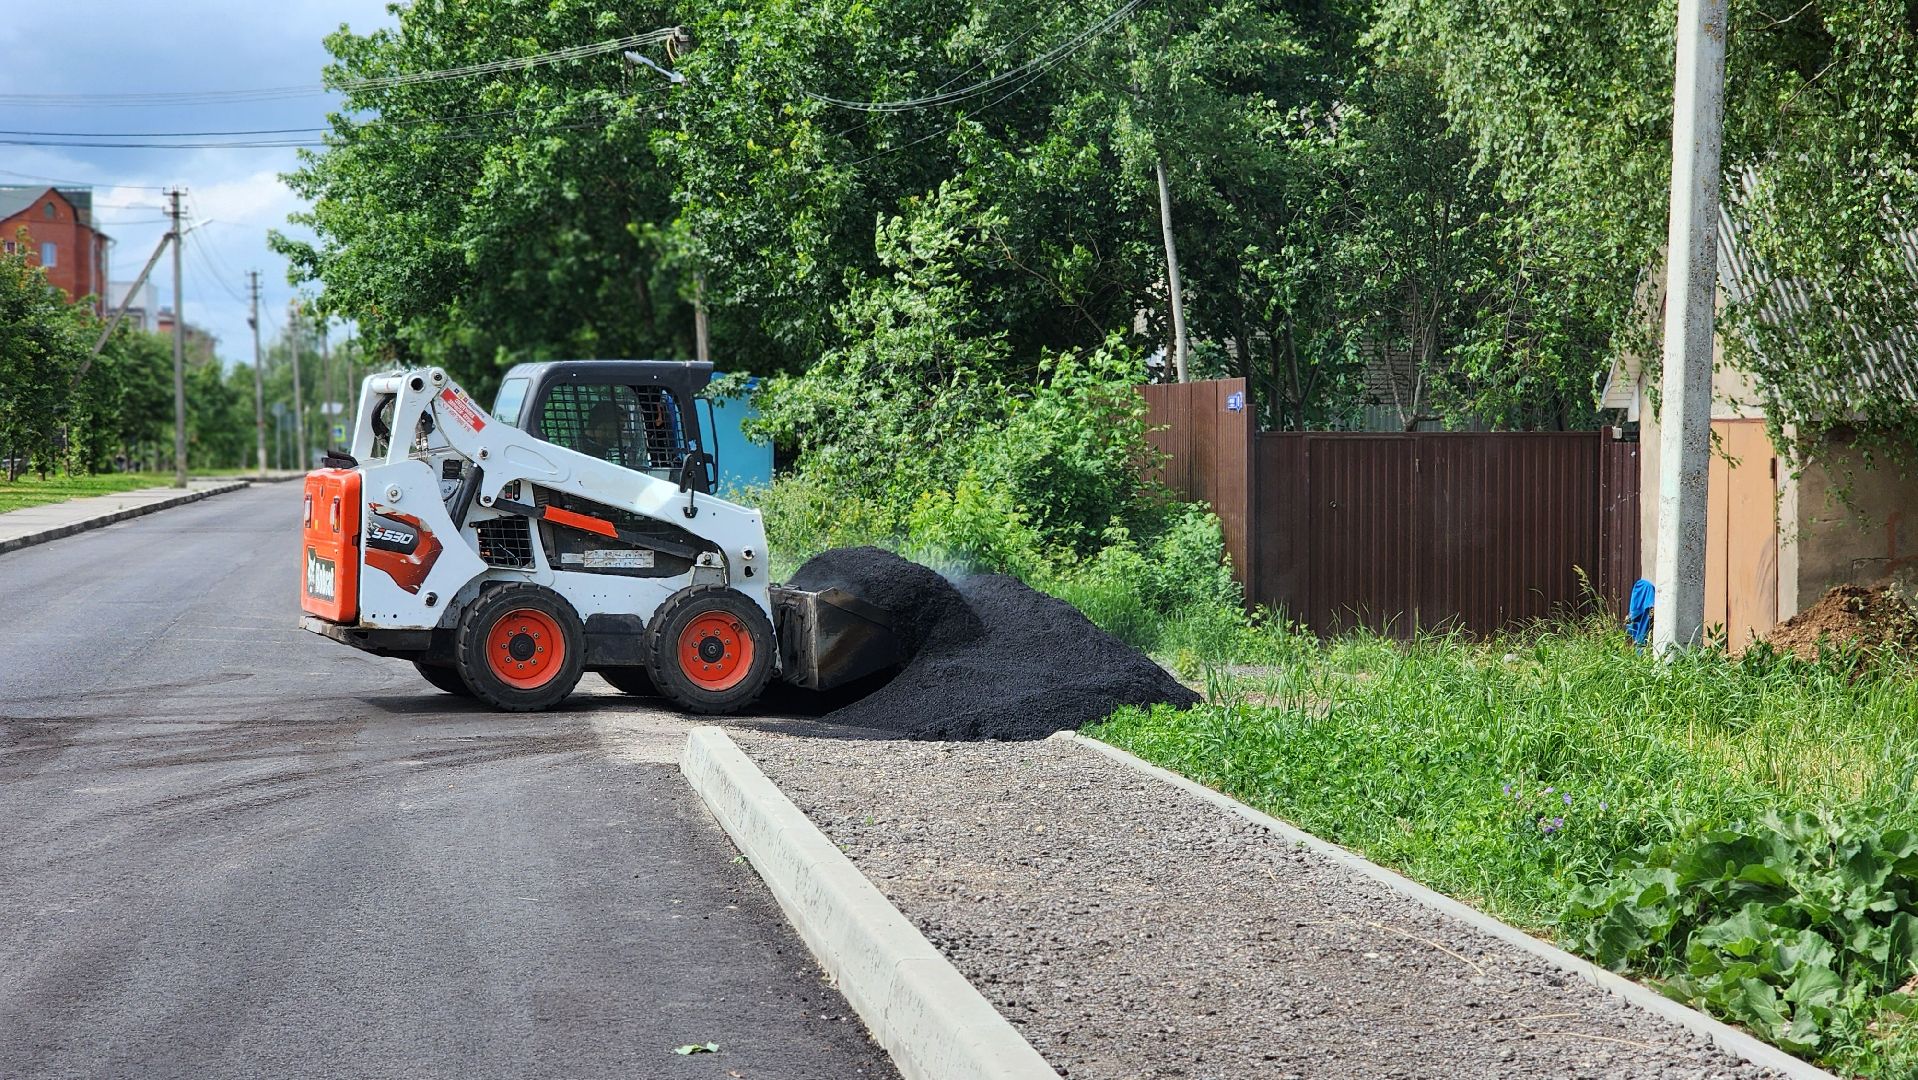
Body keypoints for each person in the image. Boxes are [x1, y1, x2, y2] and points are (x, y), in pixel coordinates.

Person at [581, 399, 629, 466]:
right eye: (619, 428)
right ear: (603, 427)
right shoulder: (583, 454)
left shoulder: (590, 448)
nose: (620, 434)